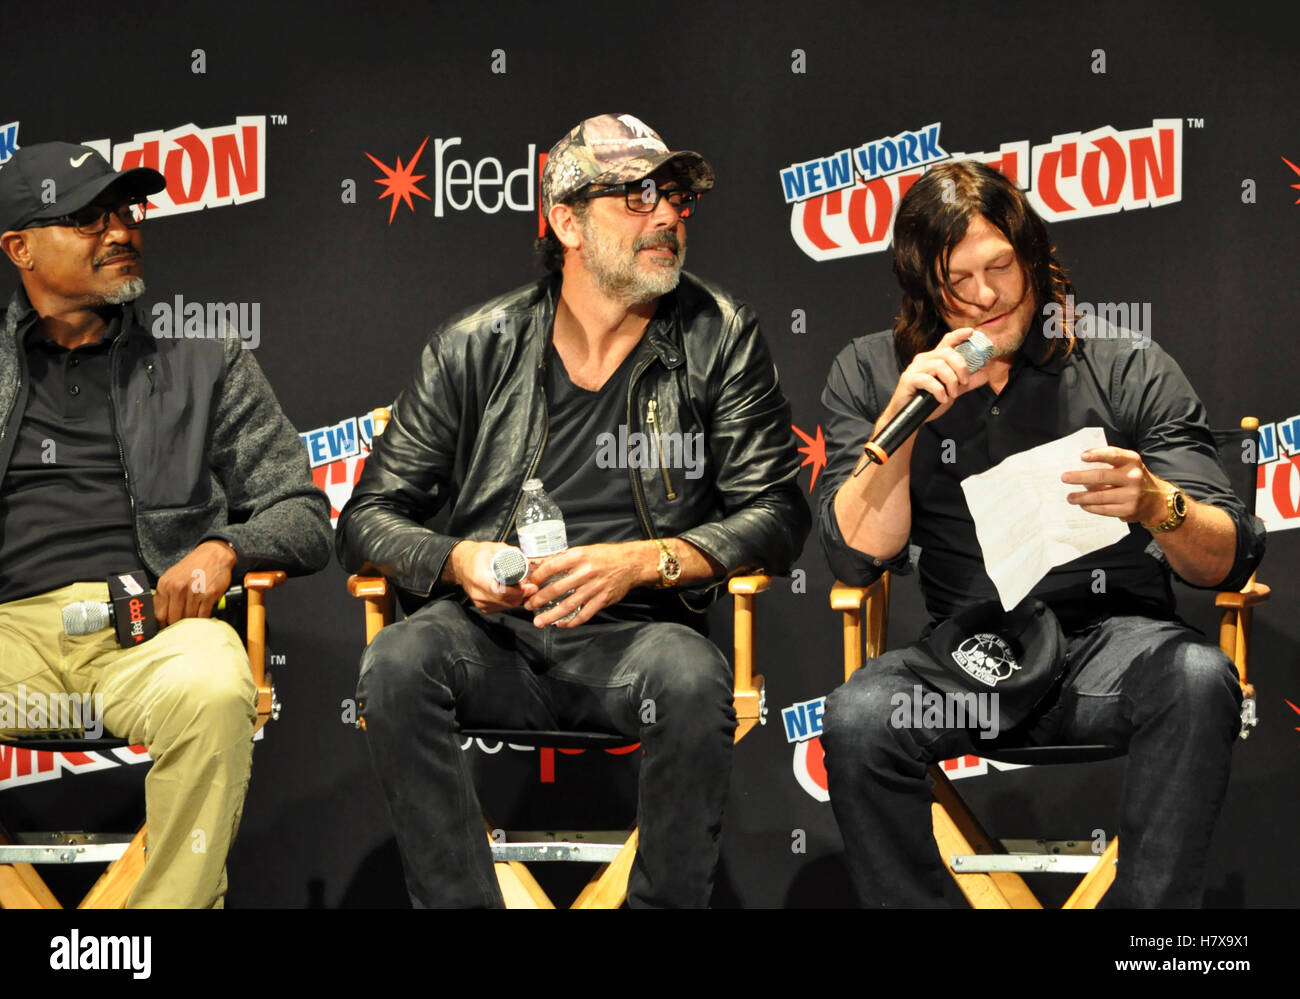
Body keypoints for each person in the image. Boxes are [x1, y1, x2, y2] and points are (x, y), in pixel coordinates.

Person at [337, 113, 809, 908]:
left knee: (694, 681)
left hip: (638, 641)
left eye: (674, 197)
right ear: (566, 221)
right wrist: (460, 561)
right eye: (635, 196)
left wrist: (645, 560)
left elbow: (778, 512)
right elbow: (366, 520)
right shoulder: (473, 345)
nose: (665, 216)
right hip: (493, 635)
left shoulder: (720, 335)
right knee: (397, 663)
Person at [818, 159, 1265, 907]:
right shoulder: (872, 372)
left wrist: (1159, 505)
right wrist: (900, 431)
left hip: (1111, 651)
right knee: (860, 714)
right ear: (924, 284)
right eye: (960, 278)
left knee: (1196, 679)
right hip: (971, 657)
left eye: (1002, 267)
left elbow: (1232, 553)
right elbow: (856, 557)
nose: (987, 296)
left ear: (1035, 259)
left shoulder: (1124, 363)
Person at [0, 142, 332, 907]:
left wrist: (226, 547)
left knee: (218, 681)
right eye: (88, 217)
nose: (120, 231)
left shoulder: (204, 362)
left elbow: (304, 514)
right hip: (12, 636)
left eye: (125, 212)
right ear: (19, 246)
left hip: (147, 636)